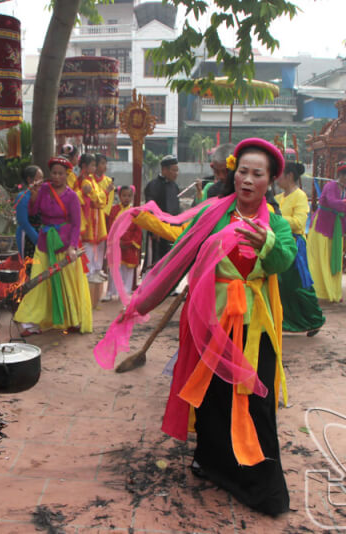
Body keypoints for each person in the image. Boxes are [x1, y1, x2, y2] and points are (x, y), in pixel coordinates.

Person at [97, 138, 296, 516]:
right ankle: (214, 463)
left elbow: (285, 258)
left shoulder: (276, 222)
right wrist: (148, 220)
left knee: (257, 403)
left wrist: (267, 242)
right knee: (211, 399)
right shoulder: (215, 212)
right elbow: (183, 238)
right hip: (209, 320)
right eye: (243, 171)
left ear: (270, 181)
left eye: (258, 174)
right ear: (233, 173)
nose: (248, 180)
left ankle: (262, 486)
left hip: (253, 326)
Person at [14, 157, 92, 336]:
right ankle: (30, 322)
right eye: (54, 173)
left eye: (60, 174)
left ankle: (73, 320)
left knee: (68, 283)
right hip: (44, 242)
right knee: (38, 280)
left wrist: (72, 247)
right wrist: (33, 195)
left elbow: (76, 223)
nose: (56, 177)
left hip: (64, 244)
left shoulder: (72, 196)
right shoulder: (43, 189)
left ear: (67, 175)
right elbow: (34, 212)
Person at [275, 162, 325, 334]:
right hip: (280, 243)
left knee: (299, 284)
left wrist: (277, 219)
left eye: (280, 174)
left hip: (295, 244)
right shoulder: (278, 198)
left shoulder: (300, 196)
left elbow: (299, 224)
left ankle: (315, 319)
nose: (277, 178)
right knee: (282, 285)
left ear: (289, 176)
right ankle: (289, 322)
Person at [307, 161, 346, 302]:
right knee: (320, 259)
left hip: (336, 228)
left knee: (333, 259)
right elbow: (332, 202)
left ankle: (333, 291)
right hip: (321, 227)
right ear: (340, 175)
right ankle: (320, 292)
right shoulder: (331, 186)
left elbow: (343, 214)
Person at [76, 153, 109, 306]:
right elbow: (97, 199)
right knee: (89, 245)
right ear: (84, 166)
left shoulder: (90, 180)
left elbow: (100, 200)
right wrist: (103, 194)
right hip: (90, 217)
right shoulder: (83, 181)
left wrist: (100, 196)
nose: (95, 168)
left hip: (96, 215)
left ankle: (96, 270)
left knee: (97, 244)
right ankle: (89, 272)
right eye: (93, 165)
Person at [102, 185, 141, 301]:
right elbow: (110, 226)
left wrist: (130, 243)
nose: (126, 198)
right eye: (124, 195)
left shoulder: (135, 212)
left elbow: (138, 231)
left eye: (129, 196)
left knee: (127, 271)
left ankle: (125, 292)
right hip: (115, 245)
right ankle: (110, 292)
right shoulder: (113, 210)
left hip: (129, 246)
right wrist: (114, 241)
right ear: (119, 196)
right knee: (114, 269)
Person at [144, 155, 180, 266]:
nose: (176, 173)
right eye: (174, 170)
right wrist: (155, 229)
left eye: (177, 170)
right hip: (158, 232)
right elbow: (150, 209)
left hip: (171, 230)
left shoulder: (175, 187)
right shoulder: (153, 186)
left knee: (170, 262)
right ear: (164, 170)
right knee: (155, 261)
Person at [15, 165, 43, 262]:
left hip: (39, 234)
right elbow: (23, 222)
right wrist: (37, 239)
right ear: (29, 180)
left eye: (42, 178)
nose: (41, 181)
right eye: (39, 178)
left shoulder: (41, 195)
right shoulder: (22, 196)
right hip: (27, 235)